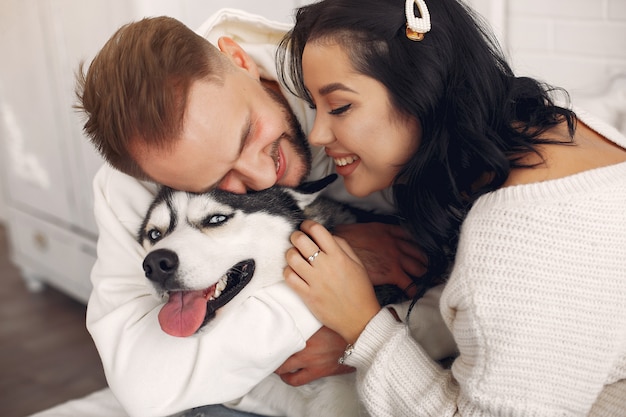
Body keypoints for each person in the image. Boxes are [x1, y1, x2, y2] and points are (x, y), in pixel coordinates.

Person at [76, 8, 455, 417]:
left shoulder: (370, 81)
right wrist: (326, 270)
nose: (261, 176)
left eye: (247, 134)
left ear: (240, 61)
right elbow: (145, 385)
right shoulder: (134, 180)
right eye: (216, 179)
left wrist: (372, 333)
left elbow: (495, 293)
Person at [279, 0, 626, 415]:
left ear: (421, 88)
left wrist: (363, 329)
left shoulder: (515, 231)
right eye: (315, 108)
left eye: (339, 107)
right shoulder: (557, 127)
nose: (317, 133)